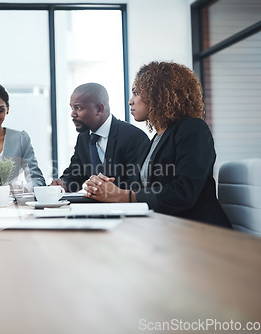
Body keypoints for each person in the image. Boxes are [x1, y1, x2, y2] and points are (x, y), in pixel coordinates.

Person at [84, 61, 232, 228]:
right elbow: (141, 188)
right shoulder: (156, 139)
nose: (130, 101)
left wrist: (123, 196)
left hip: (198, 230)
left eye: (136, 93)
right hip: (164, 228)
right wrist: (105, 186)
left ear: (159, 94)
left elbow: (184, 192)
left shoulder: (193, 129)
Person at [51, 83, 149, 192]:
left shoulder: (133, 137)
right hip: (97, 206)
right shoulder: (83, 138)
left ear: (99, 109)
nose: (73, 114)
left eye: (78, 108)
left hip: (124, 206)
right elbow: (76, 173)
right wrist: (63, 184)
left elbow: (137, 184)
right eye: (72, 108)